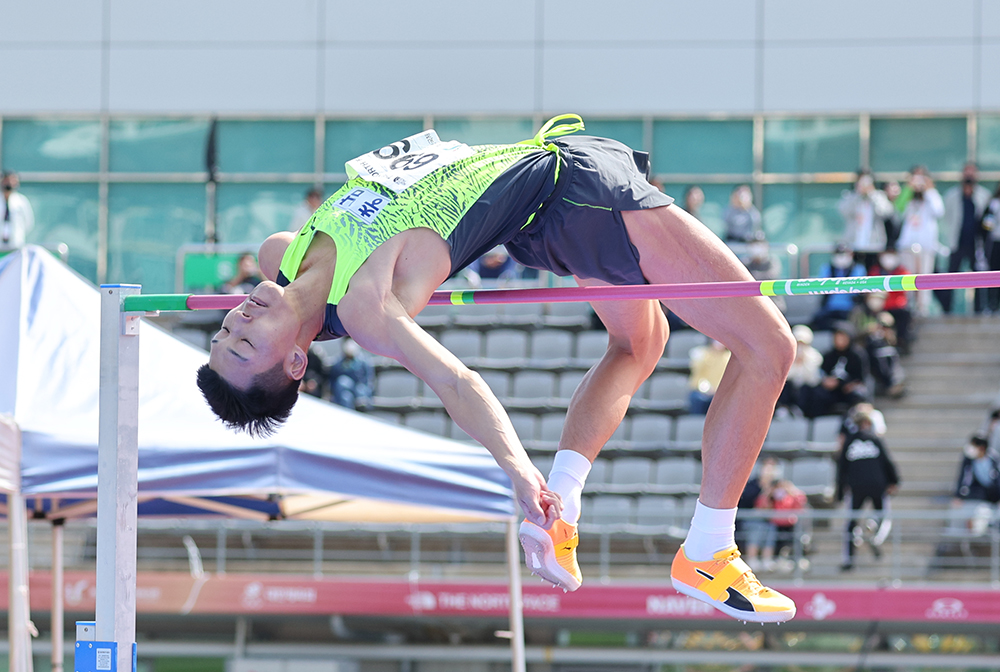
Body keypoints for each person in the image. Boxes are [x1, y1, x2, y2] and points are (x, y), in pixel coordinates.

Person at [197, 116, 797, 622]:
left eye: (225, 331)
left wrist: (287, 303)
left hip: (546, 208)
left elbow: (287, 261)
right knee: (769, 347)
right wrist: (515, 470)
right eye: (245, 347)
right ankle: (710, 549)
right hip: (575, 193)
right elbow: (458, 383)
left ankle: (561, 509)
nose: (237, 321)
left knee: (639, 344)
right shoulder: (365, 308)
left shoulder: (287, 253)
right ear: (299, 362)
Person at [836, 408, 899, 570]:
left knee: (851, 522)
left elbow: (841, 468)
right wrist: (894, 481)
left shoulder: (849, 442)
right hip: (878, 485)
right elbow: (887, 461)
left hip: (856, 486)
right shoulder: (875, 439)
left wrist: (840, 492)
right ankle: (874, 534)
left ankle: (848, 560)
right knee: (883, 516)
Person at [938, 163, 992, 314]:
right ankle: (947, 310)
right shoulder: (952, 195)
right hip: (957, 242)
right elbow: (946, 218)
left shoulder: (984, 195)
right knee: (950, 278)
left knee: (979, 278)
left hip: (976, 244)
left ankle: (979, 310)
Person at [897, 171, 944, 316]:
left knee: (925, 278)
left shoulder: (931, 198)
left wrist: (929, 190)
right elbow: (898, 209)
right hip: (907, 246)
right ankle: (908, 307)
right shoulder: (909, 198)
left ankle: (922, 309)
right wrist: (908, 189)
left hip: (926, 246)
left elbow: (939, 211)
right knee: (907, 277)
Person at [803, 322, 869, 419]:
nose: (839, 340)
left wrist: (846, 383)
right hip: (832, 391)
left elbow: (861, 376)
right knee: (815, 393)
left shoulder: (857, 355)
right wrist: (826, 381)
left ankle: (853, 421)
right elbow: (823, 373)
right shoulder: (829, 355)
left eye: (842, 337)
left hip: (849, 388)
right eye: (837, 337)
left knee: (858, 394)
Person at [838, 170, 894, 267]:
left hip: (874, 246)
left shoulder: (878, 196)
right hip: (853, 245)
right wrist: (857, 193)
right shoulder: (851, 196)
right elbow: (843, 211)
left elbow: (886, 212)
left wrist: (872, 194)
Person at [810, 243, 866, 332]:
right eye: (838, 254)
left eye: (844, 254)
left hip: (850, 309)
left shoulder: (858, 269)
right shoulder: (827, 268)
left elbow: (857, 290)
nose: (841, 257)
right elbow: (821, 288)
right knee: (816, 323)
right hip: (829, 308)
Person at [867, 246, 914, 353]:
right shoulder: (875, 271)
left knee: (904, 317)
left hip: (897, 307)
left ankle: (901, 343)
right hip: (879, 308)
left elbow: (903, 290)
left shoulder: (902, 270)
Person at [777, 324, 823, 418]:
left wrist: (804, 364)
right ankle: (784, 408)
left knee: (806, 389)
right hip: (790, 388)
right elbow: (784, 376)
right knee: (785, 386)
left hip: (805, 390)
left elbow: (814, 379)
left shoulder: (815, 357)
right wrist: (795, 365)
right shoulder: (786, 356)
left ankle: (799, 409)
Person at [327, 338, 374, 410]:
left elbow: (369, 381)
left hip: (360, 392)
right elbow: (332, 381)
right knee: (345, 393)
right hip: (344, 392)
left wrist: (366, 395)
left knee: (360, 392)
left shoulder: (364, 362)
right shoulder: (338, 363)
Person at [687, 340, 731, 414]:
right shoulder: (703, 354)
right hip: (700, 391)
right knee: (696, 398)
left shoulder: (728, 357)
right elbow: (696, 370)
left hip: (719, 392)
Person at [1, 171, 35, 248]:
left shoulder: (21, 201)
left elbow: (28, 223)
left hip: (16, 244)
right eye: (6, 181)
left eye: (12, 181)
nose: (9, 183)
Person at [980, 183, 1000, 313]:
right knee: (994, 274)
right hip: (996, 243)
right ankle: (992, 305)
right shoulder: (994, 203)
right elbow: (986, 226)